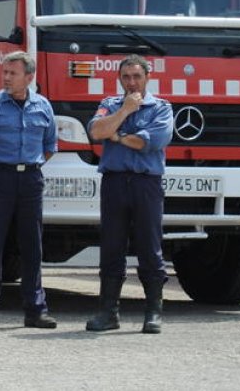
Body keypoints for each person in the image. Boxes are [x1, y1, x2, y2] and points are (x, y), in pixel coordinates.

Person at [0, 51, 58, 330]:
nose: (6, 77)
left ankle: (35, 310)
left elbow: (49, 147)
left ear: (29, 77)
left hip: (30, 180)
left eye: (12, 73)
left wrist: (26, 167)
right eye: (4, 72)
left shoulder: (43, 106)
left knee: (32, 246)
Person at [86, 54, 173, 334]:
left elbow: (149, 142)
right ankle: (108, 313)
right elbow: (96, 131)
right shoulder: (109, 105)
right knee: (112, 247)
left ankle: (153, 313)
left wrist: (119, 136)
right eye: (126, 77)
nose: (132, 82)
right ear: (119, 79)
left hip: (146, 184)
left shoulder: (161, 108)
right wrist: (123, 112)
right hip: (114, 182)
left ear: (148, 77)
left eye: (137, 76)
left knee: (150, 247)